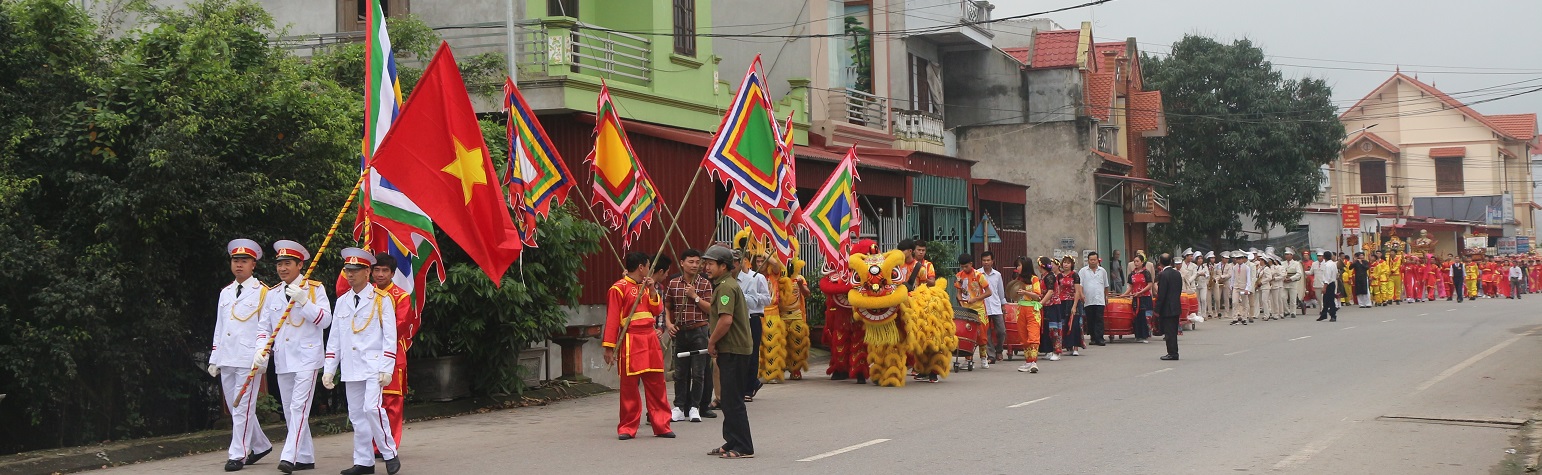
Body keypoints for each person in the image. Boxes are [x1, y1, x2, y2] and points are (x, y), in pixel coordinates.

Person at [323, 248, 401, 475]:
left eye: (355, 270)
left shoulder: (381, 299)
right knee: (357, 415)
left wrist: (387, 367)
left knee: (372, 408)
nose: (350, 275)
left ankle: (389, 452)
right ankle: (364, 461)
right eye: (347, 270)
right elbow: (335, 338)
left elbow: (390, 336)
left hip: (374, 365)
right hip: (351, 365)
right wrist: (329, 369)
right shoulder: (342, 301)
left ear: (367, 272)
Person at [261, 240, 332, 474]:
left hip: (307, 357)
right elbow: (264, 328)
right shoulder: (272, 294)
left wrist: (304, 301)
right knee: (290, 408)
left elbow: (325, 321)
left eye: (287, 263)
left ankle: (289, 456)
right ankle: (305, 456)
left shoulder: (314, 289)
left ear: (300, 265)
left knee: (298, 407)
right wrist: (260, 351)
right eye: (279, 264)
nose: (282, 268)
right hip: (283, 358)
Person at [209, 239, 274, 472]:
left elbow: (266, 328)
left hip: (249, 358)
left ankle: (238, 454)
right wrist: (214, 358)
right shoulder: (225, 292)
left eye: (244, 261)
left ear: (253, 265)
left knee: (243, 406)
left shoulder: (264, 293)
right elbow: (220, 326)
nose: (239, 265)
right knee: (236, 407)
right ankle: (261, 444)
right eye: (235, 261)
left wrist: (262, 355)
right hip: (227, 356)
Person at [600, 252, 674, 440]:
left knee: (657, 384)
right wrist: (609, 347)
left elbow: (657, 310)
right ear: (641, 267)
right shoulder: (618, 288)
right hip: (630, 339)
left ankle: (662, 425)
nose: (649, 270)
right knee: (629, 387)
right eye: (648, 266)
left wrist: (652, 290)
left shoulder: (647, 286)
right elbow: (612, 319)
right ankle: (627, 427)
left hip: (650, 339)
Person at [703, 245, 755, 459]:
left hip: (733, 349)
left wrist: (711, 342)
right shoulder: (724, 285)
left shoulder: (725, 287)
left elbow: (726, 320)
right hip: (731, 349)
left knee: (733, 400)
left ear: (723, 266)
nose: (706, 267)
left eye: (710, 263)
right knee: (728, 399)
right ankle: (732, 440)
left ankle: (744, 446)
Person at [367, 253, 414, 455]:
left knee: (391, 402)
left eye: (384, 270)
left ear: (392, 273)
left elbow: (400, 326)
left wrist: (373, 336)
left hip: (393, 355)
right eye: (376, 270)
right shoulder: (366, 293)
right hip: (367, 355)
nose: (380, 274)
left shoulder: (401, 297)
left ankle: (388, 445)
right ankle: (372, 444)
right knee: (370, 402)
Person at [665, 249, 716, 422]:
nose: (695, 265)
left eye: (697, 262)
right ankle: (679, 406)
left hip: (699, 331)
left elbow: (710, 309)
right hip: (680, 331)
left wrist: (694, 297)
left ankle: (695, 406)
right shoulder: (673, 283)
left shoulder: (705, 283)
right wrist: (669, 324)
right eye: (691, 262)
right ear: (682, 263)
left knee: (699, 372)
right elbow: (667, 306)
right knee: (680, 372)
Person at [734, 246, 770, 401]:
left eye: (737, 261)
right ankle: (748, 383)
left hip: (752, 317)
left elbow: (766, 299)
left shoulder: (756, 278)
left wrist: (744, 295)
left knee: (752, 353)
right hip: (735, 320)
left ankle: (749, 387)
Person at [953, 253, 991, 369]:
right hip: (966, 309)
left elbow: (989, 292)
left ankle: (984, 358)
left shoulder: (979, 276)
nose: (964, 269)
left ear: (971, 264)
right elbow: (959, 291)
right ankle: (968, 360)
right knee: (966, 334)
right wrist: (960, 301)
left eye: (966, 266)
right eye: (962, 267)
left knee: (981, 335)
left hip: (978, 309)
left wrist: (976, 299)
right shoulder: (959, 276)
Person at [1012, 257, 1045, 373]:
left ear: (1025, 266)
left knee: (1033, 334)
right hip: (1021, 309)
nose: (1017, 268)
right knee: (1023, 335)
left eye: (1019, 265)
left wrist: (1025, 292)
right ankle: (1028, 361)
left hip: (1032, 309)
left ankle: (1034, 362)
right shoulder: (1018, 280)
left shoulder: (1034, 279)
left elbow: (1037, 295)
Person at [1076, 251, 1111, 347]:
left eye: (1094, 260)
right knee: (1090, 319)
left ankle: (1100, 338)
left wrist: (1106, 296)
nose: (1092, 261)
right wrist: (1081, 294)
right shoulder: (1083, 271)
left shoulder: (1102, 271)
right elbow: (1080, 285)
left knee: (1099, 318)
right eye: (1091, 260)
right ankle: (1093, 337)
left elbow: (1106, 285)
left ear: (1097, 260)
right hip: (1088, 299)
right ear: (1088, 260)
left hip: (1099, 299)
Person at [1154, 253, 1183, 360]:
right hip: (1176, 305)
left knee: (1169, 332)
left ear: (1160, 262)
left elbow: (1161, 294)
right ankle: (1173, 351)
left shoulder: (1163, 275)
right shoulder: (1177, 274)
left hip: (1167, 307)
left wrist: (1157, 309)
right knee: (1173, 331)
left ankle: (1172, 353)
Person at [979, 251, 1006, 364]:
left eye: (988, 260)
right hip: (983, 306)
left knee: (1001, 331)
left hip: (995, 306)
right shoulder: (977, 274)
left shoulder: (997, 275)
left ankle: (999, 349)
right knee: (986, 332)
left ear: (992, 261)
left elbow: (1000, 291)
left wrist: (1003, 304)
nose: (986, 262)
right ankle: (991, 355)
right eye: (984, 260)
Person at [1036, 257, 1064, 360]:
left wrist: (1041, 303)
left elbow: (1050, 291)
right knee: (1046, 329)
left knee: (1054, 329)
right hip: (1046, 306)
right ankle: (1048, 350)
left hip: (1053, 305)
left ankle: (1057, 351)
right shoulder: (1043, 277)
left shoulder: (1050, 277)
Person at [1122, 253, 1154, 342]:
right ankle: (1138, 335)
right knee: (1136, 316)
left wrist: (1140, 292)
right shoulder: (1132, 274)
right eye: (1134, 261)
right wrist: (1124, 295)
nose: (1136, 263)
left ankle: (1144, 335)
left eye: (1137, 261)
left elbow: (1149, 284)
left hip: (1145, 297)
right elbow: (1130, 287)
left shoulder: (1146, 272)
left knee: (1144, 317)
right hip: (1136, 298)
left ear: (1142, 262)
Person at [1315, 252, 1340, 322]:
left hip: (1329, 284)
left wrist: (1324, 287)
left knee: (1330, 300)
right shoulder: (1333, 263)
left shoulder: (1327, 265)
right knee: (1325, 300)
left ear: (1323, 257)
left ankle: (1333, 315)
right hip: (1332, 283)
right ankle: (1324, 314)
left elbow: (1327, 277)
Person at [1283, 249, 1304, 317]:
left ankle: (1293, 312)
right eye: (1285, 254)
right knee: (1283, 298)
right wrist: (1284, 278)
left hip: (1292, 283)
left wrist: (1291, 278)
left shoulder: (1296, 263)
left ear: (1291, 255)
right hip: (1284, 282)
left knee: (1293, 299)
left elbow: (1299, 273)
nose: (1286, 256)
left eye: (1288, 254)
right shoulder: (1282, 263)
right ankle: (1286, 311)